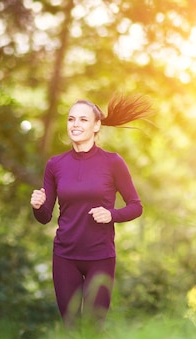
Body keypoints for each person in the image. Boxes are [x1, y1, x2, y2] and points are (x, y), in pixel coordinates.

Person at [30, 93, 151, 326]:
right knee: (71, 328)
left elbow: (136, 207)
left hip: (100, 257)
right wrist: (37, 206)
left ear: (96, 125)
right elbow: (45, 217)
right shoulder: (55, 165)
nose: (75, 124)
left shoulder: (113, 162)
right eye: (71, 119)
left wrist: (111, 215)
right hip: (65, 256)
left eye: (83, 120)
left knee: (94, 328)